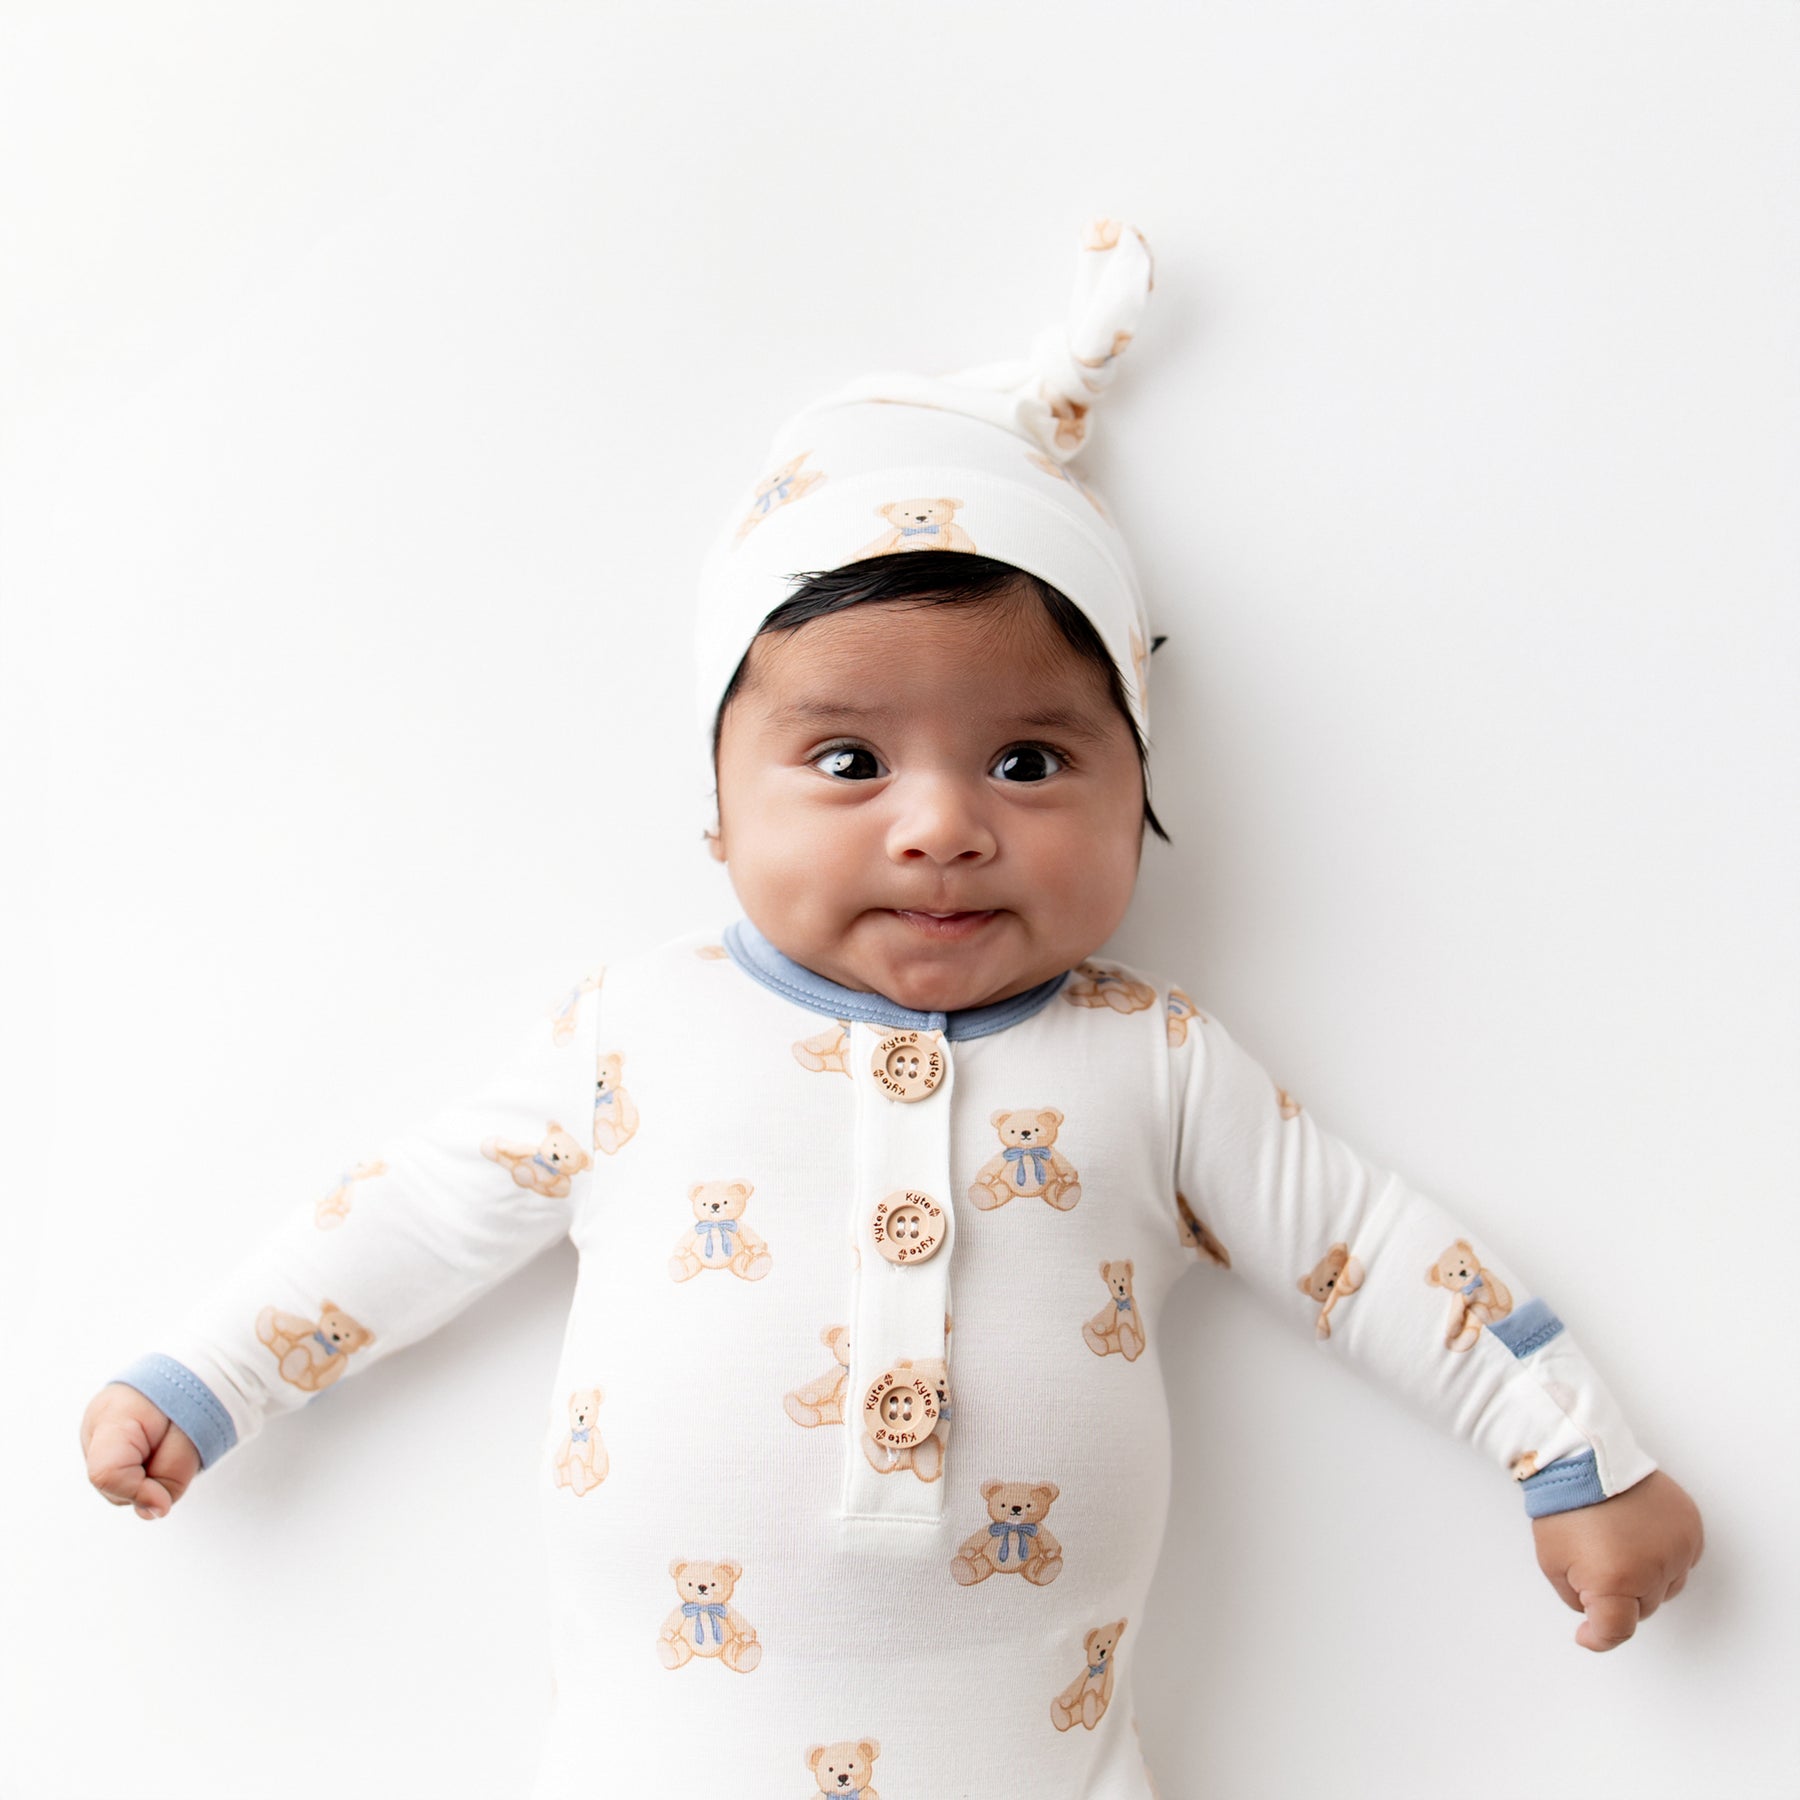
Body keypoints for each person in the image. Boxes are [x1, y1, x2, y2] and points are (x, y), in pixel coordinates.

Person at [80, 218, 1703, 1799]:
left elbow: (1379, 1256)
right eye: (848, 762)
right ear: (716, 810)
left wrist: (1577, 1455)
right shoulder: (634, 1036)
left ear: (1144, 790)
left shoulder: (1153, 1062)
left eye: (1032, 760)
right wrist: (210, 1377)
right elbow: (416, 1215)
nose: (940, 825)